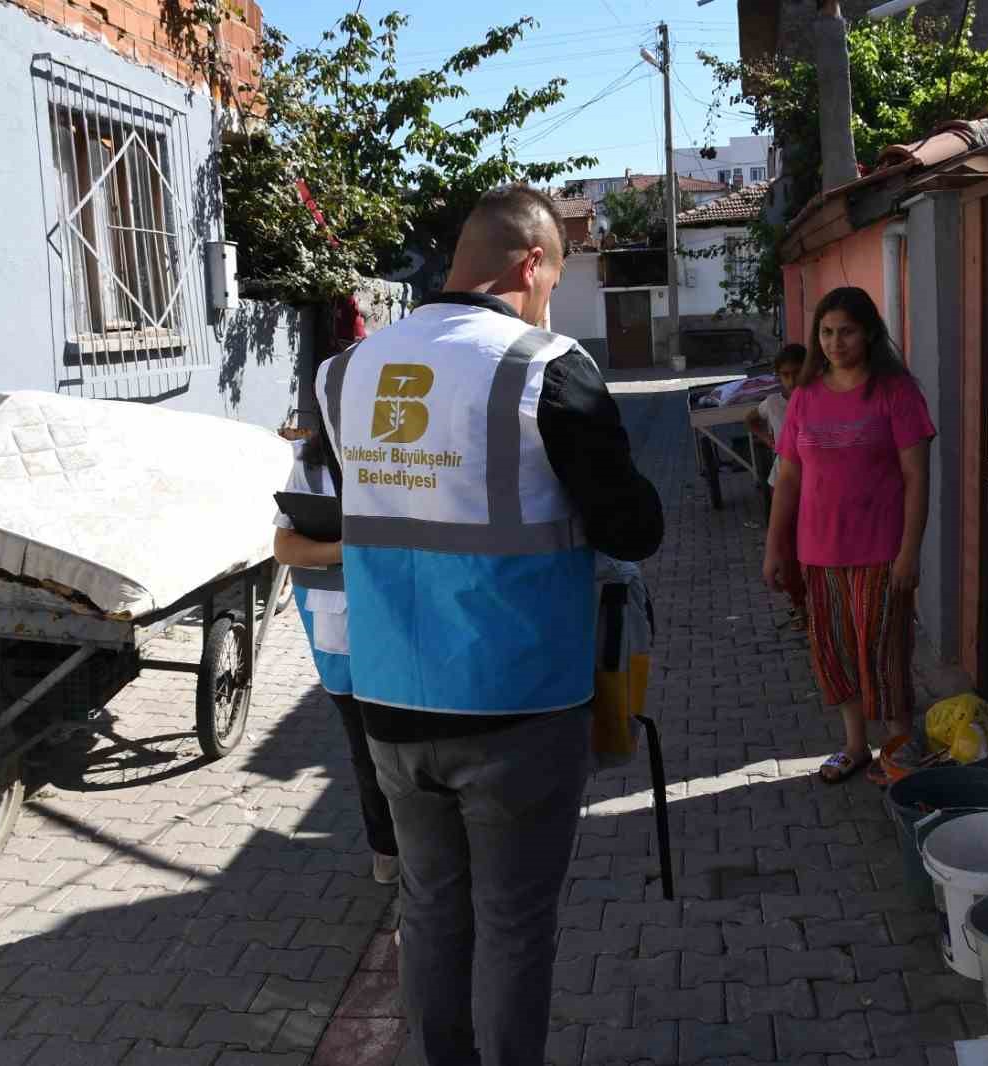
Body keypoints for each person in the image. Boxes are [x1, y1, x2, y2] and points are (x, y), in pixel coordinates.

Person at [316, 184, 662, 1066]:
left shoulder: (346, 372)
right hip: (519, 702)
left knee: (429, 909)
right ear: (530, 264)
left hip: (388, 698)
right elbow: (634, 529)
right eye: (553, 275)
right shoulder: (546, 365)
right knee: (513, 924)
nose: (551, 297)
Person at [762, 287, 935, 785]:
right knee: (834, 652)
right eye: (827, 332)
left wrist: (910, 552)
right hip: (818, 553)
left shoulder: (896, 393)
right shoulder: (806, 398)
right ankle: (856, 746)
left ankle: (899, 751)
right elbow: (788, 478)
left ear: (869, 334)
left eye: (847, 331)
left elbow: (917, 478)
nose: (836, 342)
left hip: (882, 553)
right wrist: (776, 546)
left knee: (884, 653)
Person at [271, 429, 398, 885]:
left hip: (405, 624)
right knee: (366, 750)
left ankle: (426, 852)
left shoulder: (410, 454)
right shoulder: (311, 464)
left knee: (416, 747)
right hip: (339, 633)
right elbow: (286, 548)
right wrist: (347, 551)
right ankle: (387, 850)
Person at [746, 344, 808, 628]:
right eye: (786, 375)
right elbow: (751, 420)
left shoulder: (816, 399)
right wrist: (770, 442)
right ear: (778, 377)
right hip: (782, 482)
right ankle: (799, 604)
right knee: (786, 549)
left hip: (815, 486)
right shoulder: (773, 404)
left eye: (798, 373)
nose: (792, 380)